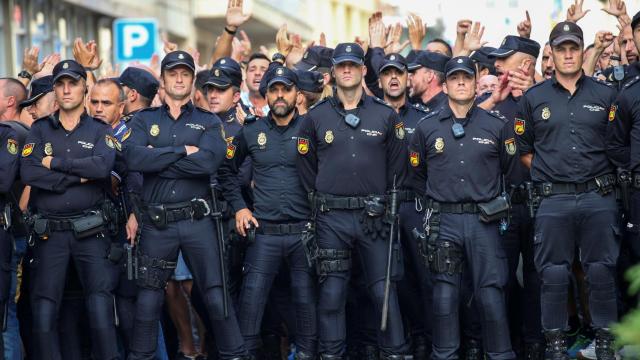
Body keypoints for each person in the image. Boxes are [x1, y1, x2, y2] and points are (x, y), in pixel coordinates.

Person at [122, 50, 250, 360]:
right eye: (172, 73)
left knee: (217, 297)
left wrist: (159, 157)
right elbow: (134, 158)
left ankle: (235, 355)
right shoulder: (143, 119)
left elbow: (208, 164)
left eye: (185, 74)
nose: (179, 78)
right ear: (163, 81)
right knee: (148, 302)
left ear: (193, 81)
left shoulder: (207, 121)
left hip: (198, 223)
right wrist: (183, 151)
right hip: (157, 224)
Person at [296, 42, 409, 359]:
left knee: (383, 292)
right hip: (331, 218)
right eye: (341, 65)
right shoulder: (314, 118)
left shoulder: (386, 116)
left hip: (374, 216)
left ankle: (395, 353)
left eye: (353, 64)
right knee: (332, 293)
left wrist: (382, 203)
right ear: (332, 73)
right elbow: (306, 169)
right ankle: (332, 354)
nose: (347, 70)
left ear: (363, 70)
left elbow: (397, 168)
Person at [516, 22, 619, 360]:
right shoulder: (534, 98)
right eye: (561, 49)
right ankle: (556, 345)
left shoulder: (605, 95)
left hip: (597, 196)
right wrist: (552, 174)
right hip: (553, 199)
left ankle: (605, 341)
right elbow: (524, 149)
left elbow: (615, 145)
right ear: (553, 52)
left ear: (582, 49)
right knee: (553, 275)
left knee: (601, 270)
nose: (569, 54)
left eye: (574, 47)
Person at [409, 56, 515, 360]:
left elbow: (507, 169)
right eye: (454, 78)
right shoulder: (426, 128)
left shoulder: (497, 125)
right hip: (445, 221)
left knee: (491, 294)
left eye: (466, 78)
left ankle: (500, 354)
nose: (460, 83)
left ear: (474, 82)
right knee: (444, 297)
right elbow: (418, 175)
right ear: (445, 84)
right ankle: (445, 355)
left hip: (485, 220)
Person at [20, 59, 119, 359]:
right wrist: (79, 176)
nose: (66, 89)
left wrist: (57, 168)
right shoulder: (39, 130)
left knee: (100, 307)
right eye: (60, 84)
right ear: (54, 89)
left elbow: (103, 168)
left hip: (92, 232)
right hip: (50, 233)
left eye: (72, 83)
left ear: (84, 89)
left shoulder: (99, 129)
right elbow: (29, 173)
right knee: (45, 307)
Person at [219, 65, 317, 359]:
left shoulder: (313, 128)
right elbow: (225, 171)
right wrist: (239, 208)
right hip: (265, 235)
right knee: (251, 306)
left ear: (297, 94)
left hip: (304, 234)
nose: (279, 95)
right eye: (273, 89)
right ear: (266, 94)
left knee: (306, 306)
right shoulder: (251, 131)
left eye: (285, 89)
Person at [378, 53, 432, 360]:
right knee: (387, 280)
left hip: (416, 206)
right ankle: (398, 341)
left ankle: (425, 339)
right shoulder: (370, 115)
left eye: (399, 72)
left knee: (424, 277)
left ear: (407, 78)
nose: (394, 78)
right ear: (381, 80)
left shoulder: (423, 118)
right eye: (388, 74)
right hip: (382, 208)